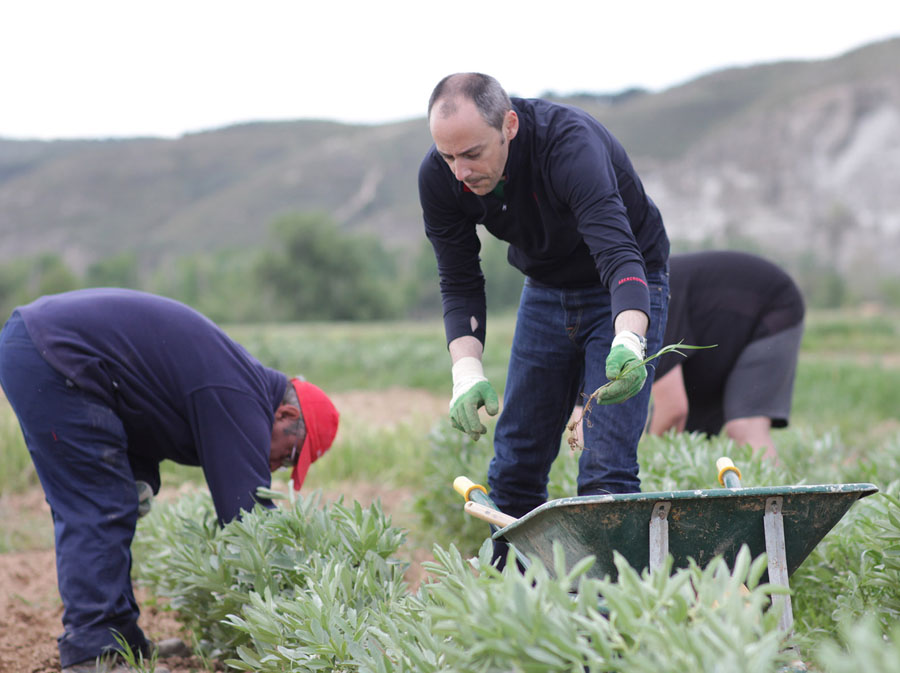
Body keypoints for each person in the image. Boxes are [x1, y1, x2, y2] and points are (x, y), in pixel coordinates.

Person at [0, 288, 339, 673]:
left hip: (49, 349)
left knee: (115, 501)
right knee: (100, 505)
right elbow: (249, 519)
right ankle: (93, 654)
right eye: (291, 454)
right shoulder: (240, 396)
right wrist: (308, 603)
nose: (279, 466)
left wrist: (141, 477)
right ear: (285, 414)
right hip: (56, 352)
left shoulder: (239, 387)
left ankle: (121, 641)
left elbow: (147, 403)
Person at [418, 73, 670, 537]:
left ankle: (606, 608)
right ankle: (516, 600)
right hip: (547, 287)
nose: (461, 172)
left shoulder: (569, 146)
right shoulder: (441, 178)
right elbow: (458, 280)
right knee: (514, 466)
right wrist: (465, 373)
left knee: (605, 472)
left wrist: (631, 340)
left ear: (509, 125)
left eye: (473, 154)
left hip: (625, 283)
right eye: (447, 155)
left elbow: (619, 254)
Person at [647, 250, 805, 460]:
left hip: (773, 306)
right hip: (725, 328)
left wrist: (647, 458)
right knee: (688, 427)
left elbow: (672, 408)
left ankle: (772, 492)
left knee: (745, 426)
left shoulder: (652, 298)